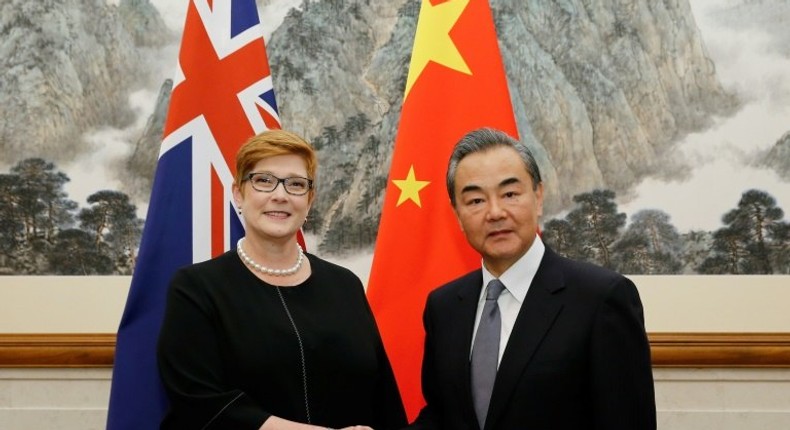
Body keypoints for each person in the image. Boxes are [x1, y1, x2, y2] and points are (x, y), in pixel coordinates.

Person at [408, 127, 656, 429]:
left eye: (510, 194)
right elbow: (441, 417)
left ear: (538, 197)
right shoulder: (444, 306)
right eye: (475, 201)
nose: (495, 212)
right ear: (457, 215)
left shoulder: (601, 299)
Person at [157, 129, 407, 430]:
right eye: (263, 181)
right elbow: (200, 403)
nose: (280, 195)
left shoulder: (345, 286)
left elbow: (383, 399)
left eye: (296, 184)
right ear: (239, 193)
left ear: (310, 199)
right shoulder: (196, 288)